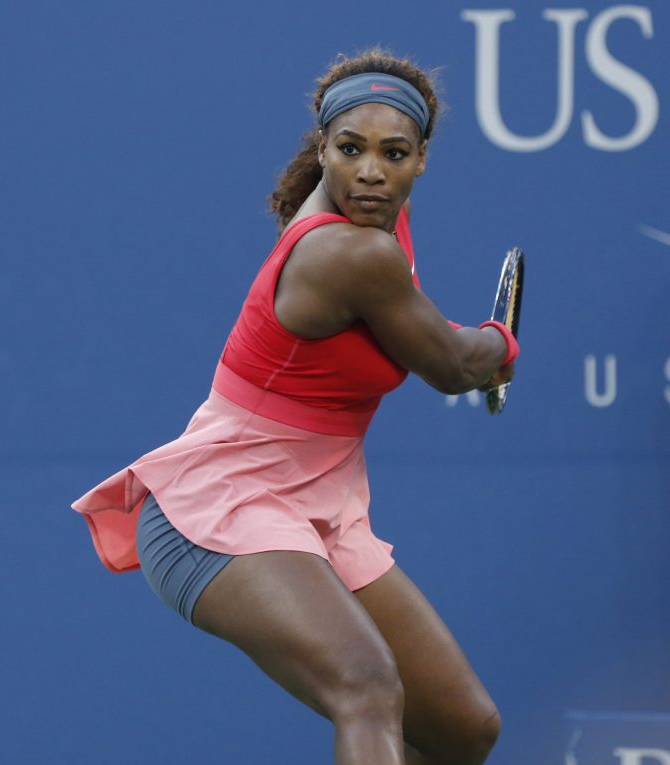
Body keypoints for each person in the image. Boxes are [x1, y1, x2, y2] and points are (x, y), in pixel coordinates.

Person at [72, 48, 518, 765]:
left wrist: (476, 350)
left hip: (320, 504)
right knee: (366, 687)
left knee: (464, 728)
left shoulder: (375, 222)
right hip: (216, 509)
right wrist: (502, 342)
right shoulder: (348, 254)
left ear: (422, 160)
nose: (370, 171)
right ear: (324, 149)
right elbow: (453, 365)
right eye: (351, 150)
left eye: (393, 153)